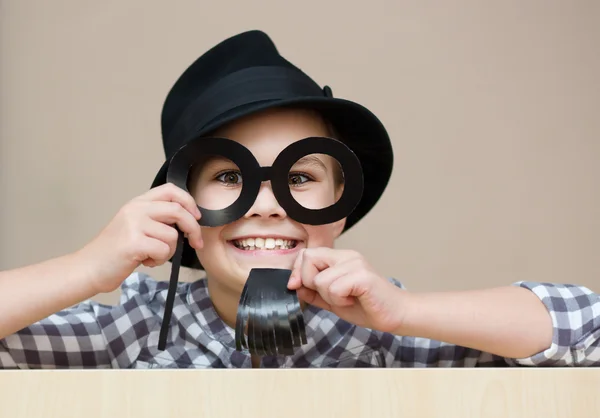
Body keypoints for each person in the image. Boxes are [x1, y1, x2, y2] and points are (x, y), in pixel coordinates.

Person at [1, 30, 599, 369]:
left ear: (340, 207)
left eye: (301, 177)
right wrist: (87, 269)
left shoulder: (382, 333)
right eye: (231, 178)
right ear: (184, 209)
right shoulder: (131, 330)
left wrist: (403, 314)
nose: (267, 204)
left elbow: (589, 327)